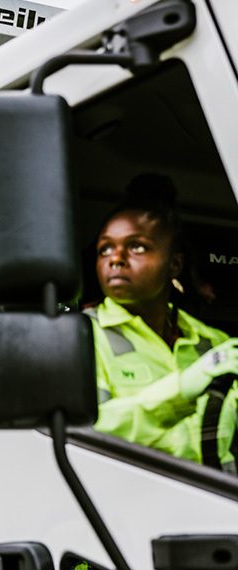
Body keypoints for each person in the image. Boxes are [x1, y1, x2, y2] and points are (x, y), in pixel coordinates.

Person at [89, 174, 238, 472]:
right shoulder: (79, 336)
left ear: (175, 264)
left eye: (137, 247)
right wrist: (180, 391)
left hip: (222, 501)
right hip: (131, 508)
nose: (115, 258)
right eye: (104, 248)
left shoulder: (215, 343)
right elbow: (87, 433)